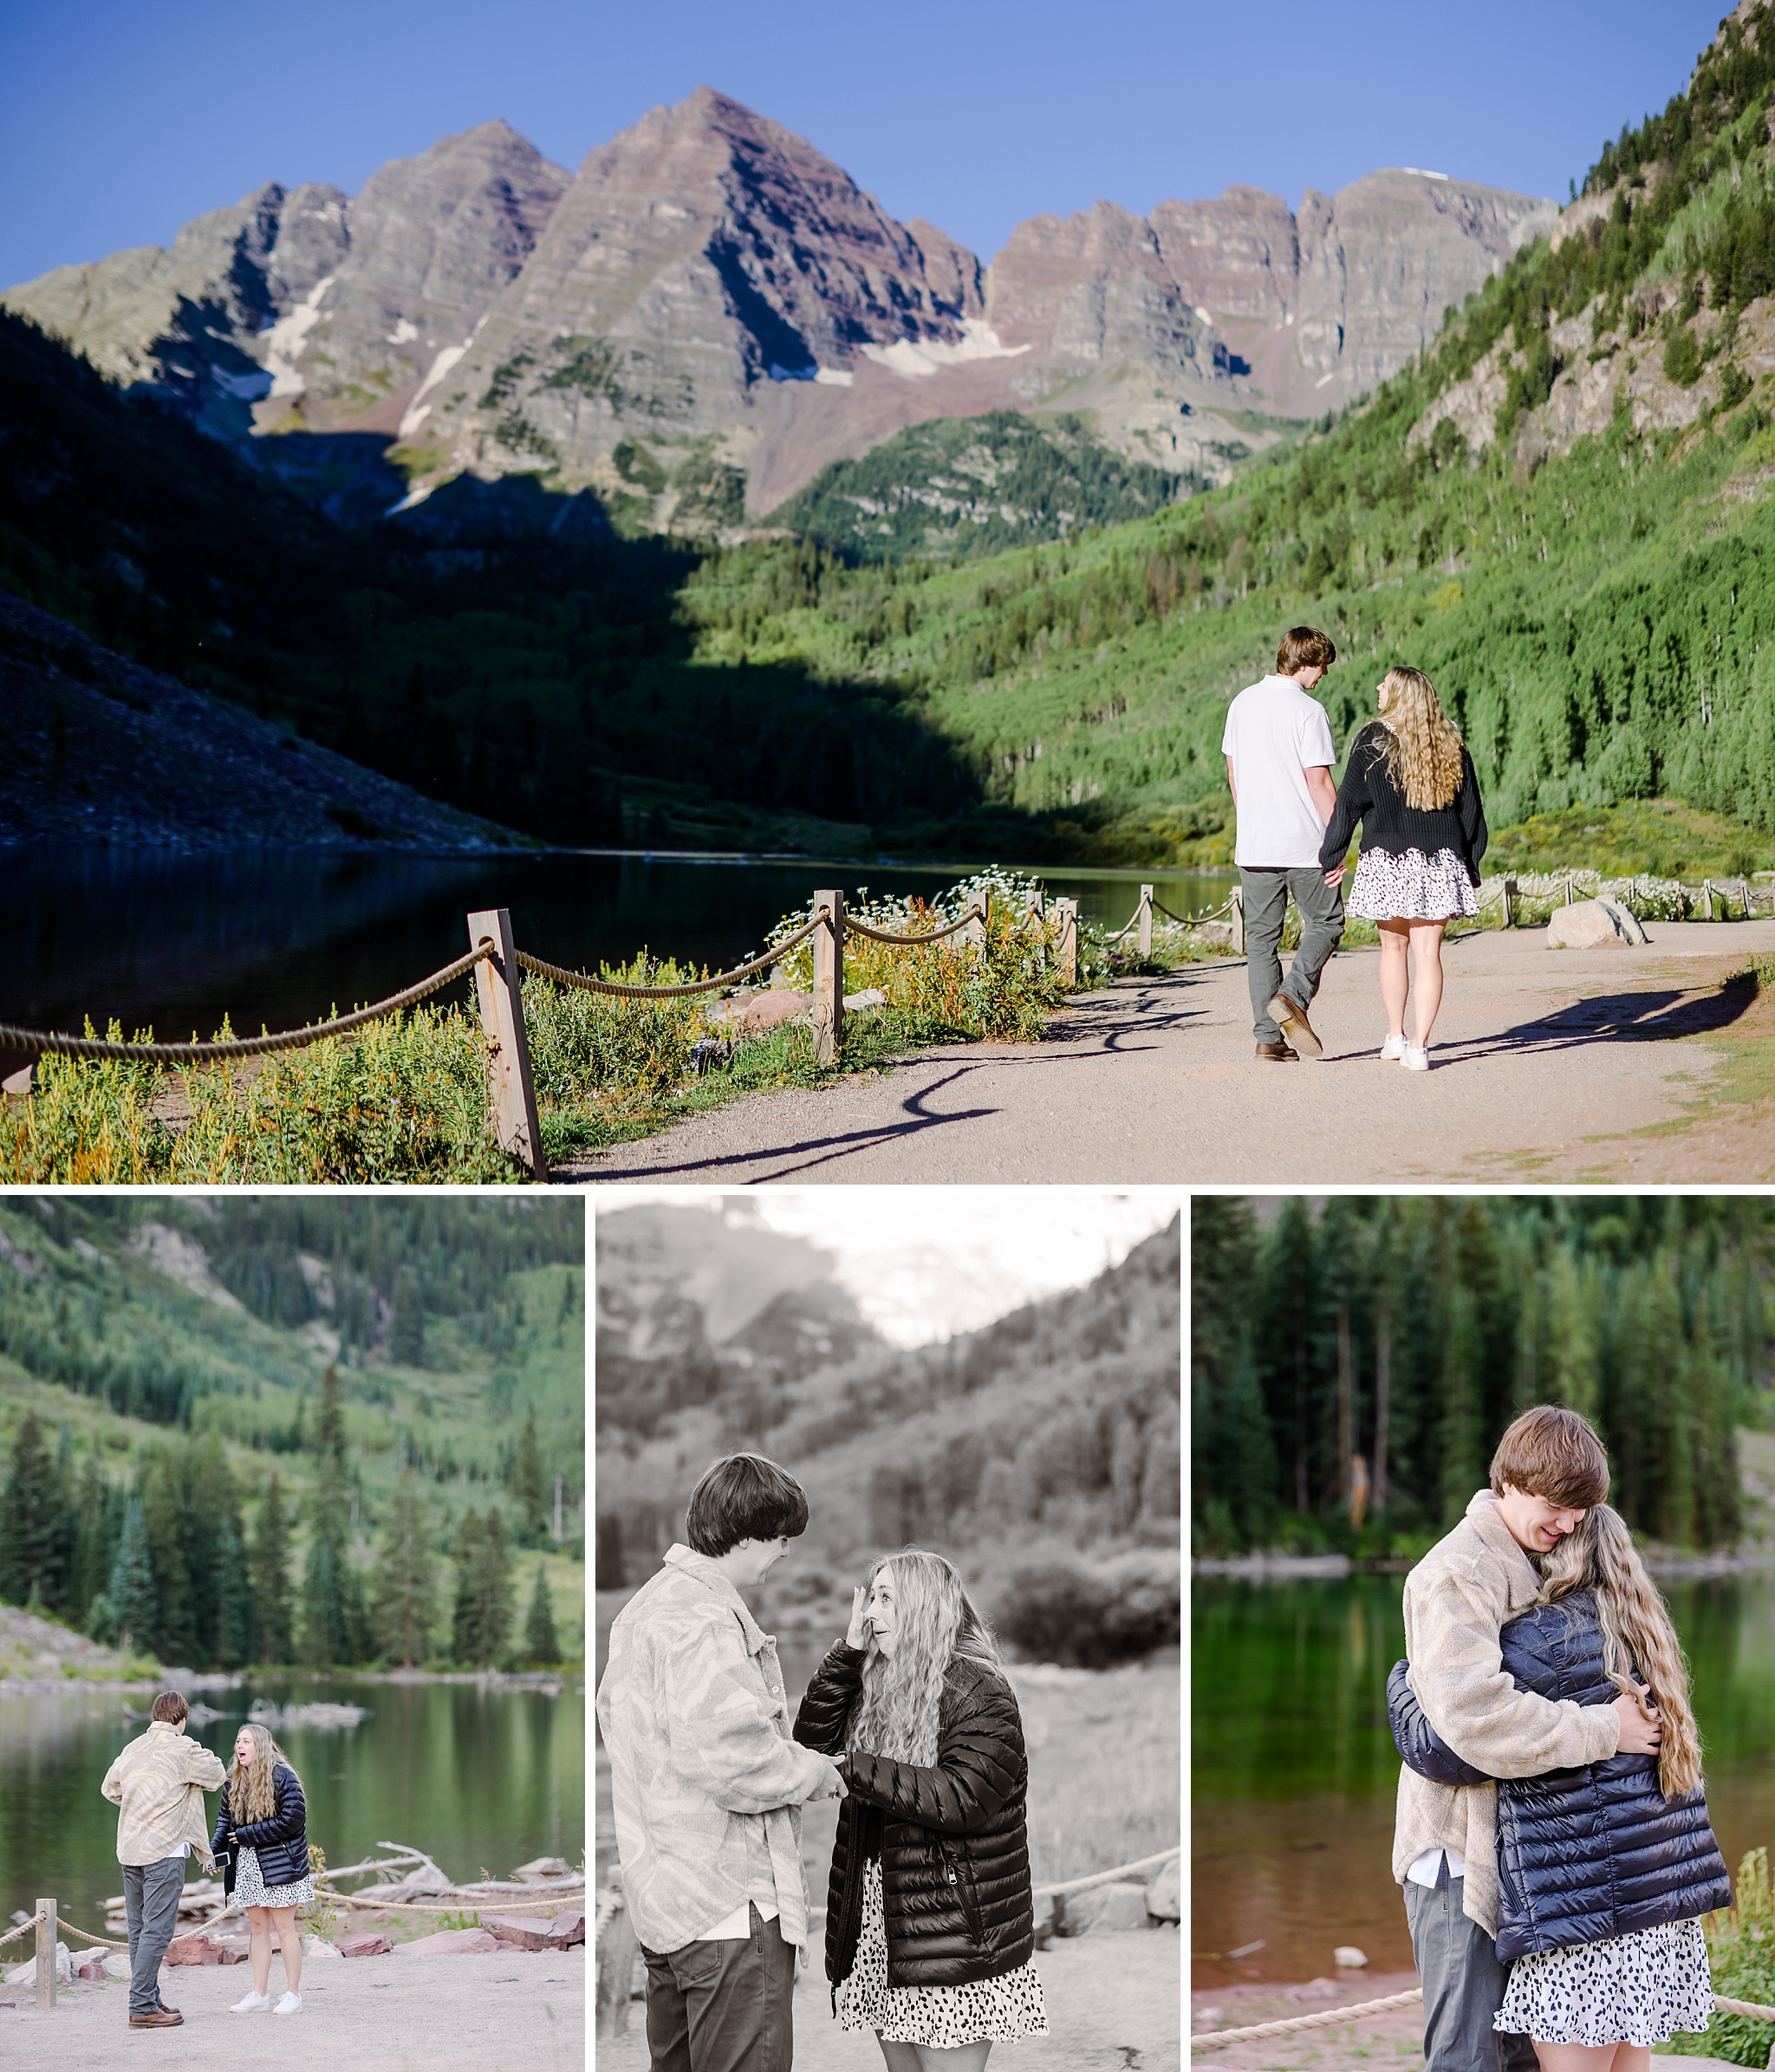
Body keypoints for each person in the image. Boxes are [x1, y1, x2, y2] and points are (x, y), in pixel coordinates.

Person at [1392, 1503, 1731, 2072]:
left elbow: (1453, 1748)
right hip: (1651, 1913)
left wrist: (1402, 1684)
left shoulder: (1539, 1641)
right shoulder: (1652, 1639)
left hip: (1576, 1913)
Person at [1389, 1407, 1663, 2072]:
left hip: (1525, 1852)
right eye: (1555, 1503)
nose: (1568, 1522)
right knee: (1468, 2055)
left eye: (1580, 1509)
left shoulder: (1540, 1554)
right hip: (1461, 1857)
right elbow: (1478, 1717)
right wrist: (1607, 1729)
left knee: (1524, 2056)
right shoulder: (1458, 1571)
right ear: (1509, 1482)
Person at [596, 1454, 848, 2072]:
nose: (786, 1552)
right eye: (783, 1536)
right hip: (728, 1912)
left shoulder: (643, 1610)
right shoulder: (702, 1618)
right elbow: (734, 1759)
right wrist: (815, 1771)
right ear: (750, 1530)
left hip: (665, 1906)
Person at [794, 1548, 1048, 2072]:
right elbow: (810, 1745)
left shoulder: (978, 1688)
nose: (871, 1612)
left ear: (924, 1606)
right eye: (871, 1598)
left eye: (886, 1599)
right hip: (882, 1920)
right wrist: (847, 1653)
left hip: (954, 1927)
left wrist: (855, 1769)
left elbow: (964, 1797)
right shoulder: (878, 1678)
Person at [1319, 665, 1487, 1070]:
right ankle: (1420, 1047)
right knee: (1428, 954)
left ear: (1399, 695)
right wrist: (1471, 863)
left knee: (1393, 950)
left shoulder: (1371, 740)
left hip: (1387, 860)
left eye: (1386, 684)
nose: (1378, 687)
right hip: (1441, 860)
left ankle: (1396, 1035)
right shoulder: (1449, 741)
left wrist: (1331, 854)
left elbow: (1348, 805)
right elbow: (1472, 814)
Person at [1221, 626, 1345, 1062]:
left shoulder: (1241, 703)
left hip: (1253, 844)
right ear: (1307, 662)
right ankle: (1293, 996)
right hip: (1304, 844)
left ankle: (1268, 1039)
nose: (1322, 676)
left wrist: (1251, 823)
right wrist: (1338, 838)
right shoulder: (1308, 711)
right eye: (1322, 667)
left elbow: (1235, 776)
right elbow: (1319, 782)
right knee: (1328, 923)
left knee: (1261, 941)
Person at [101, 1689, 227, 2030]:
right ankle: (141, 2005)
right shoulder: (182, 1747)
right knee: (157, 1931)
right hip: (164, 1850)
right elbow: (217, 1774)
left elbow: (110, 1788)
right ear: (182, 1718)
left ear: (154, 1716)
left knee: (140, 1930)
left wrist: (141, 1803)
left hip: (130, 1848)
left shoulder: (133, 1748)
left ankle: (150, 1997)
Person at [211, 1721, 312, 2015]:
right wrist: (214, 1851)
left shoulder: (283, 1777)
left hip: (281, 1863)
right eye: (238, 1741)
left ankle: (293, 1995)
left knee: (284, 1928)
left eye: (246, 1742)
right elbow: (224, 1822)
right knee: (257, 1928)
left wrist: (246, 1836)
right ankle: (259, 1993)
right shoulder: (234, 1780)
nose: (239, 1746)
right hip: (248, 1866)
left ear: (261, 1747)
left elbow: (292, 1821)